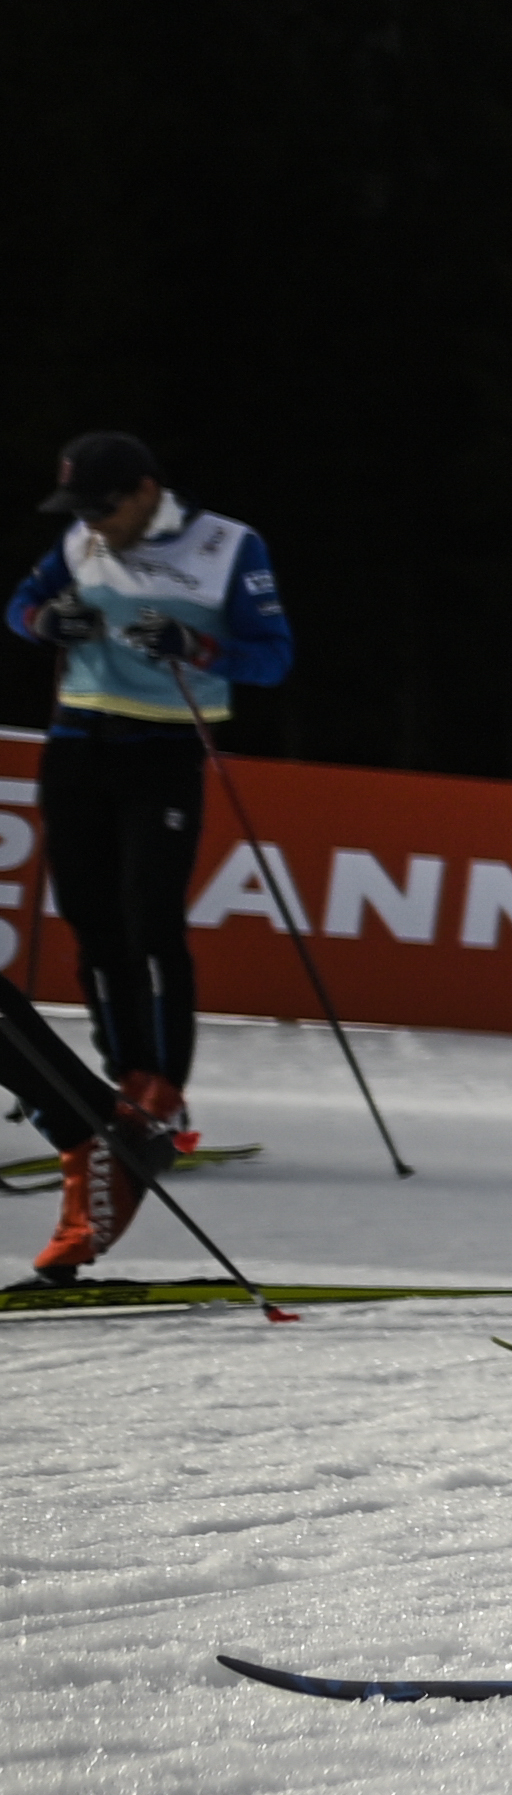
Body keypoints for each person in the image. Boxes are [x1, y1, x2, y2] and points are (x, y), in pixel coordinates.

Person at [8, 432, 291, 1275]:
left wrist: (201, 650)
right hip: (76, 741)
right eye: (81, 510)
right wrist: (41, 621)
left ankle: (159, 1091)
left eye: (104, 506)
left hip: (162, 748)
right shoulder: (80, 540)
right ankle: (117, 1086)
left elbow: (274, 657)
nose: (94, 524)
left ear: (145, 491)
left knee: (150, 921)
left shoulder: (227, 547)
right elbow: (21, 605)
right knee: (91, 925)